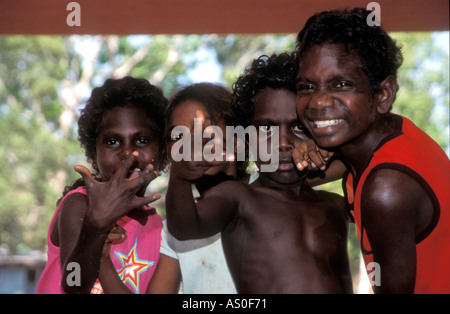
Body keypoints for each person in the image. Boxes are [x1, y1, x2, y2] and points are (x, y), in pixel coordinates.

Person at [165, 53, 353, 293]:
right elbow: (184, 227)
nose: (283, 142)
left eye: (298, 126)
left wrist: (331, 146)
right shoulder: (238, 198)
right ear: (245, 139)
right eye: (266, 129)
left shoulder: (335, 205)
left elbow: (369, 140)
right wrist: (179, 178)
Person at [294, 8, 450, 293]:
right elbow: (288, 179)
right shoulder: (388, 138)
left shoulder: (387, 188)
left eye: (341, 84)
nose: (318, 102)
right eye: (306, 87)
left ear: (383, 94)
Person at [37, 76, 167, 294]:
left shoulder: (160, 229)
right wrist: (94, 228)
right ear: (93, 151)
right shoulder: (79, 204)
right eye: (112, 141)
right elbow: (75, 285)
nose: (129, 153)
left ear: (162, 151)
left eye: (142, 140)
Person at [150, 82, 243, 294]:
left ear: (237, 138)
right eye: (178, 136)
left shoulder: (263, 194)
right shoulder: (173, 227)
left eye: (204, 128)